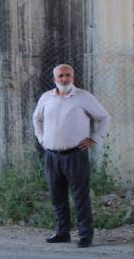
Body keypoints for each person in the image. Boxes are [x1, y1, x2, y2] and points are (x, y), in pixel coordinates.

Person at [32, 64, 111, 248]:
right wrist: (42, 139)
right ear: (54, 79)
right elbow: (36, 118)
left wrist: (95, 138)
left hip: (75, 154)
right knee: (57, 196)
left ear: (73, 77)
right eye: (60, 76)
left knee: (80, 197)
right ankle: (62, 232)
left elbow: (105, 117)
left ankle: (85, 235)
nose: (64, 79)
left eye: (68, 75)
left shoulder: (84, 97)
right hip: (52, 156)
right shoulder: (46, 97)